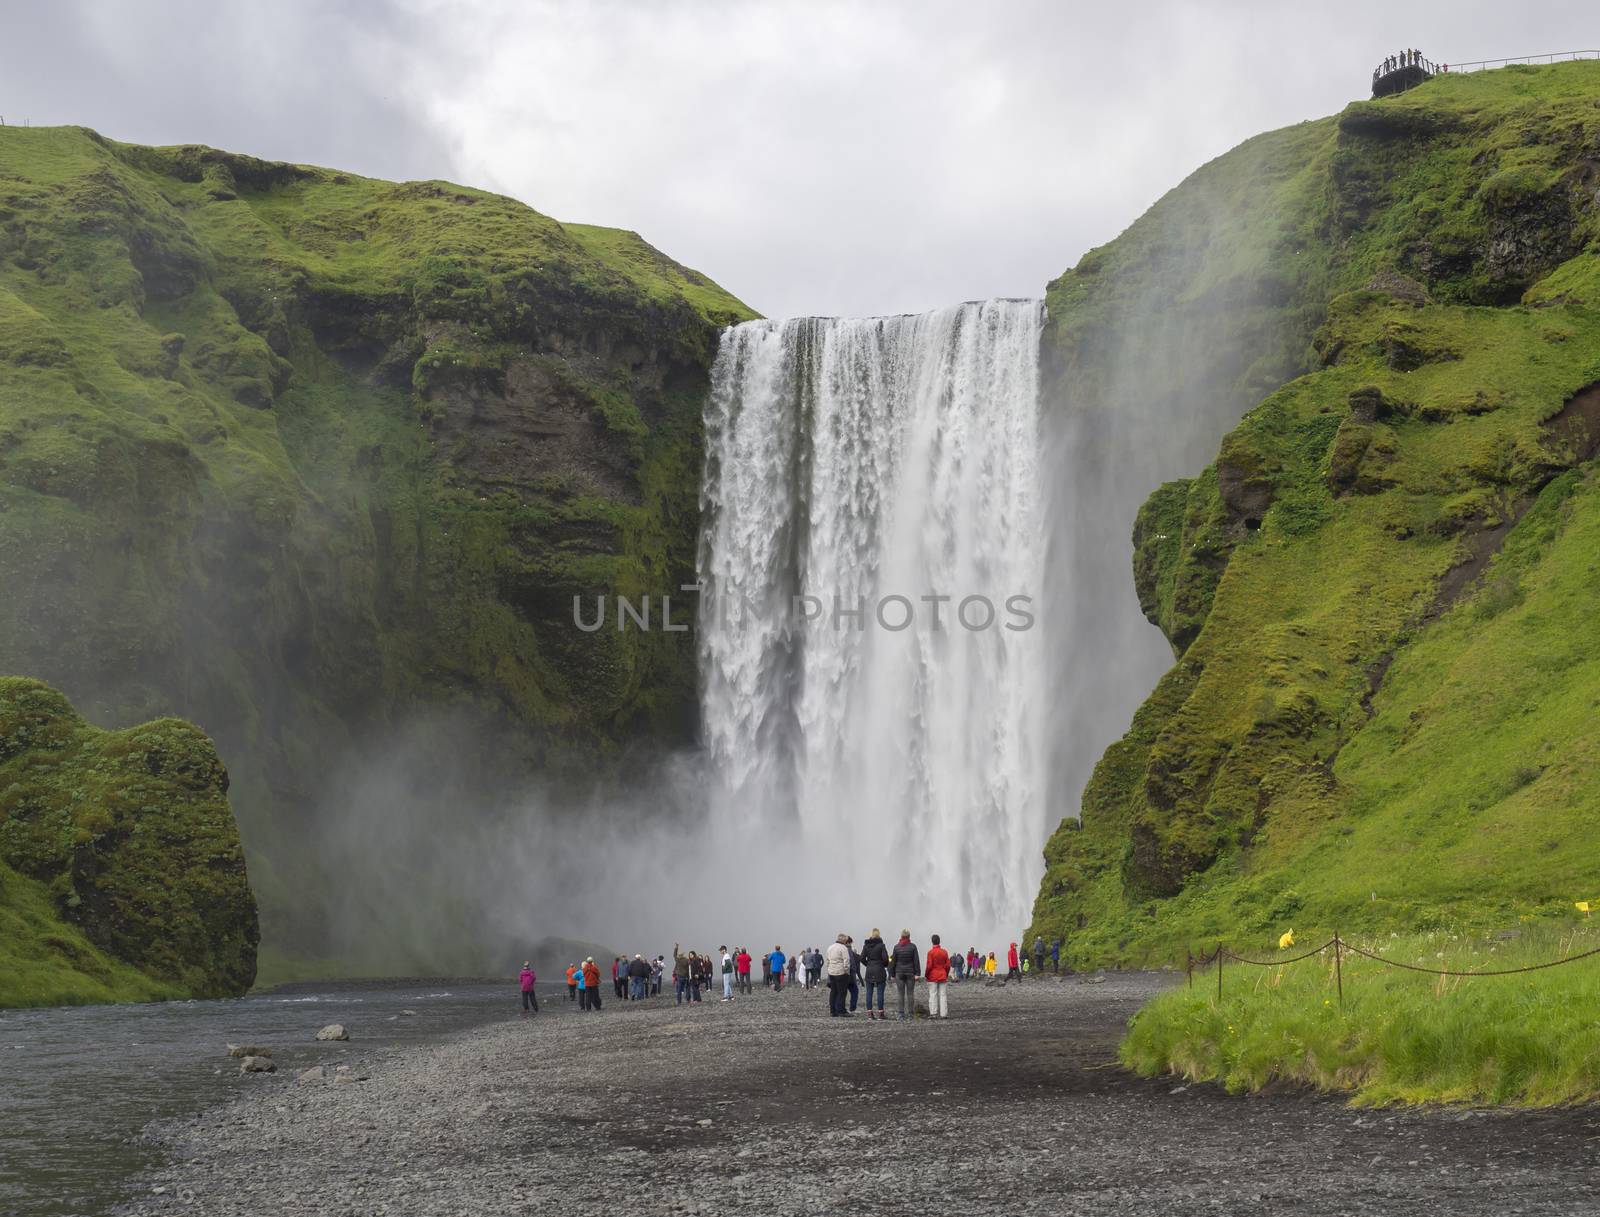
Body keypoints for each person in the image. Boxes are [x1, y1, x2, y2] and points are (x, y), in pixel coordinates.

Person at [890, 929, 921, 1021]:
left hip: (899, 973)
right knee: (910, 994)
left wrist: (892, 974)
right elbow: (916, 961)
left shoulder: (896, 947)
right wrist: (917, 973)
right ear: (909, 937)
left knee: (900, 994)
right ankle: (911, 1014)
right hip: (910, 973)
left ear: (901, 936)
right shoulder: (913, 947)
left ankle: (901, 1014)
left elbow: (893, 962)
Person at [859, 929, 889, 1020]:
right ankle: (880, 1014)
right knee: (880, 993)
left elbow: (862, 958)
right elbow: (885, 959)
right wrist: (884, 965)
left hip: (869, 970)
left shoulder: (866, 946)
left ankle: (869, 1014)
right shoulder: (881, 945)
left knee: (869, 992)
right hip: (879, 969)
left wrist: (868, 964)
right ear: (879, 935)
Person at [825, 933, 852, 1017]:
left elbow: (827, 960)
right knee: (842, 992)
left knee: (833, 992)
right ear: (844, 940)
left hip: (831, 972)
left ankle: (832, 1011)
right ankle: (841, 1010)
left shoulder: (830, 947)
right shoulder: (843, 948)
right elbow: (846, 960)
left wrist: (829, 969)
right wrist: (846, 971)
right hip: (841, 972)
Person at [925, 935, 950, 1019]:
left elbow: (929, 966)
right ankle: (944, 1014)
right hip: (942, 975)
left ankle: (933, 1013)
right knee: (943, 995)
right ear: (939, 941)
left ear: (932, 941)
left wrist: (926, 975)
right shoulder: (944, 952)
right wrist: (945, 973)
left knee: (933, 994)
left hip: (932, 976)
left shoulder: (930, 952)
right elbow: (948, 965)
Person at [846, 936, 861, 1012]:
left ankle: (836, 1009)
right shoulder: (848, 950)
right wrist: (854, 971)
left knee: (840, 992)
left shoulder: (837, 948)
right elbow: (852, 963)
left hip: (838, 974)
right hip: (849, 975)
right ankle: (852, 1008)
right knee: (854, 991)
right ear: (848, 942)